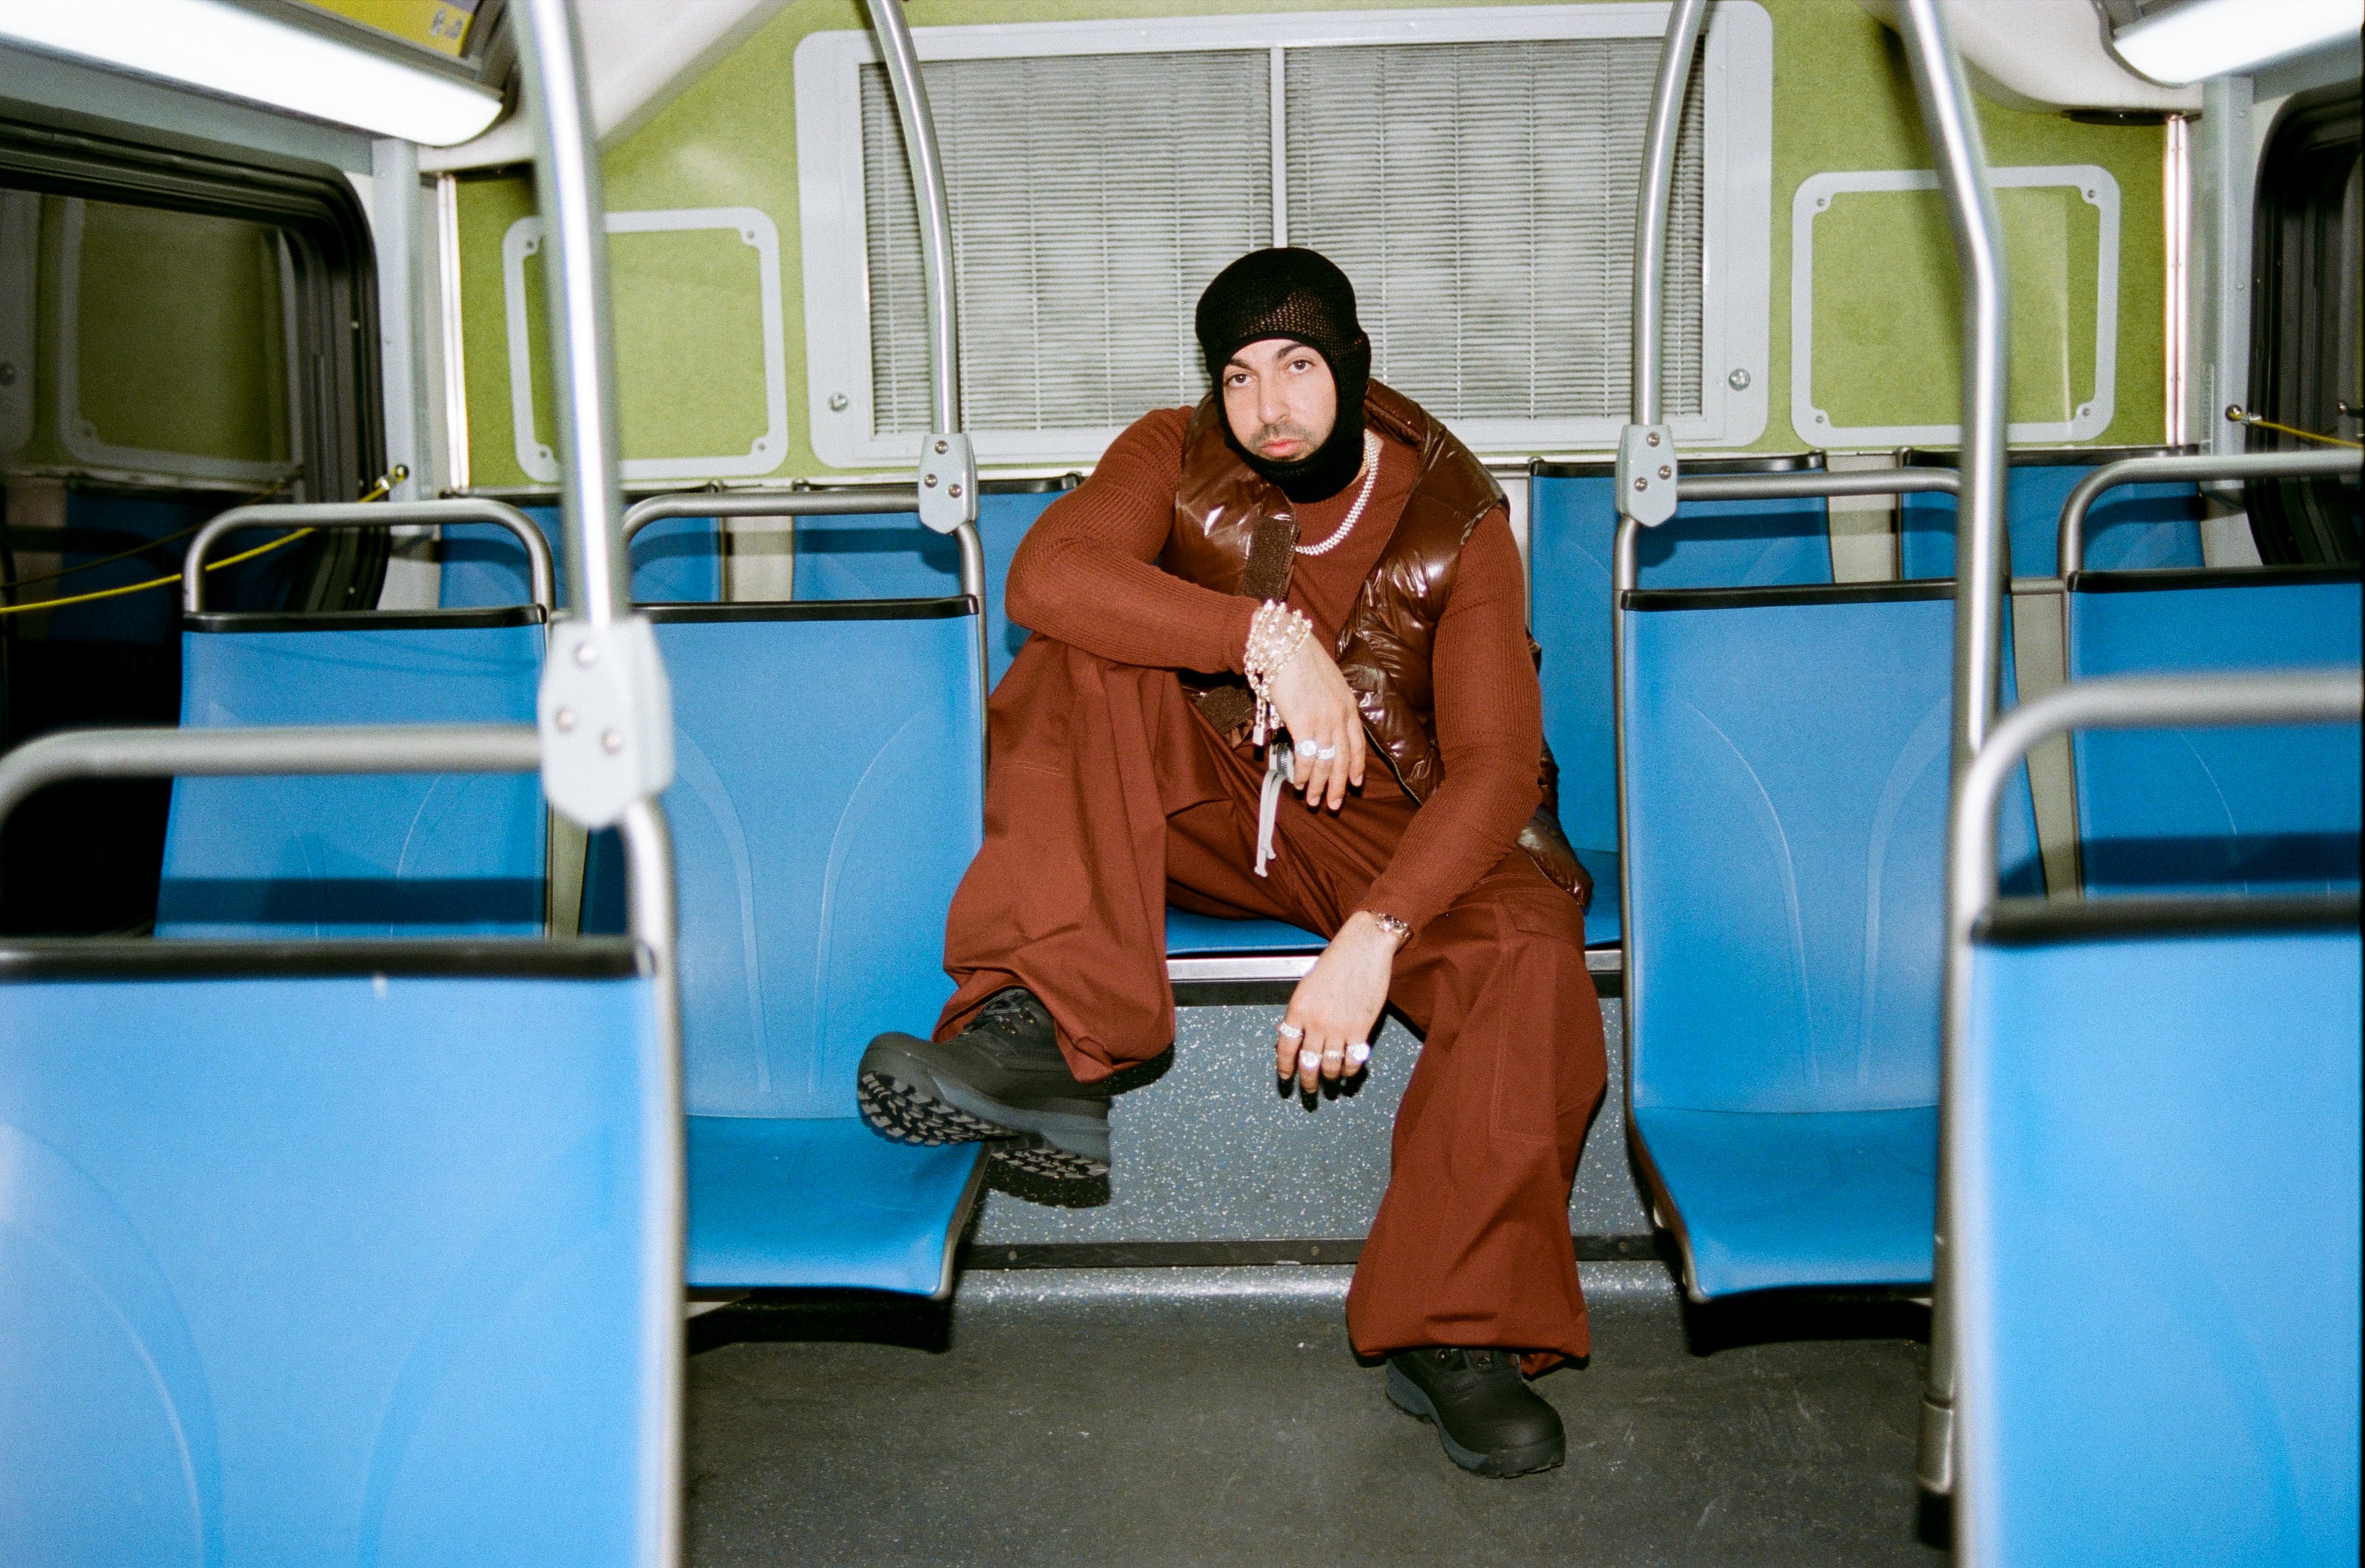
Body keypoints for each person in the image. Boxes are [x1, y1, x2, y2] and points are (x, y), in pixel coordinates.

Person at [858, 247, 1606, 1478]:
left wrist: (1374, 936)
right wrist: (1265, 640)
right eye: (1240, 375)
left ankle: (1455, 1333)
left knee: (1528, 951)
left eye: (1298, 365)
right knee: (1074, 652)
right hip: (1217, 804)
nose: (1268, 405)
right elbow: (1047, 576)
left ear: (1353, 366)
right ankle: (1035, 1033)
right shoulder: (1173, 451)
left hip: (1398, 831)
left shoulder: (1454, 517)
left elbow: (1494, 771)